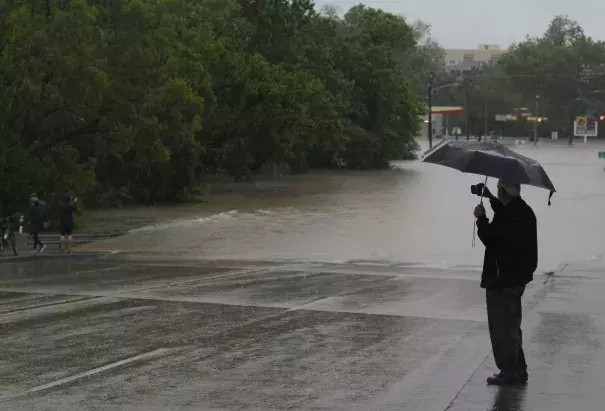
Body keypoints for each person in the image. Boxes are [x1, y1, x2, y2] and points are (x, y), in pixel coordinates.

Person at [473, 180, 538, 385]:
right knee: (512, 326)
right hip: (516, 278)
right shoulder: (524, 211)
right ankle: (518, 370)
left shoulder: (508, 216)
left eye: (499, 190)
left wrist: (481, 218)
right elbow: (504, 218)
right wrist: (491, 198)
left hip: (502, 279)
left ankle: (510, 372)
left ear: (504, 191)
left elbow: (491, 237)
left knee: (502, 328)